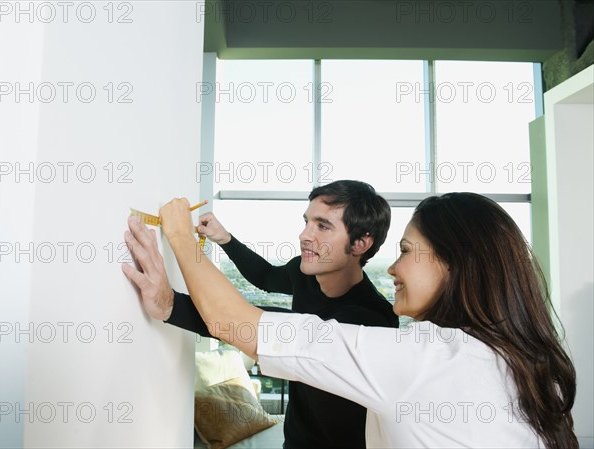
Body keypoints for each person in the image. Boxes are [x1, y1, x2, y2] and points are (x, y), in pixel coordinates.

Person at [123, 192, 578, 449]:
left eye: (404, 251)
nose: (395, 269)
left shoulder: (416, 353)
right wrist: (172, 300)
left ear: (454, 264)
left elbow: (239, 322)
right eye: (307, 221)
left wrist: (181, 235)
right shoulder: (521, 362)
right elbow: (261, 296)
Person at [127, 180, 399, 449]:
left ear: (360, 243)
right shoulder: (306, 274)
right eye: (306, 222)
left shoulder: (371, 319)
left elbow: (246, 325)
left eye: (323, 226)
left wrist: (180, 243)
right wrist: (226, 239)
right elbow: (266, 277)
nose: (305, 235)